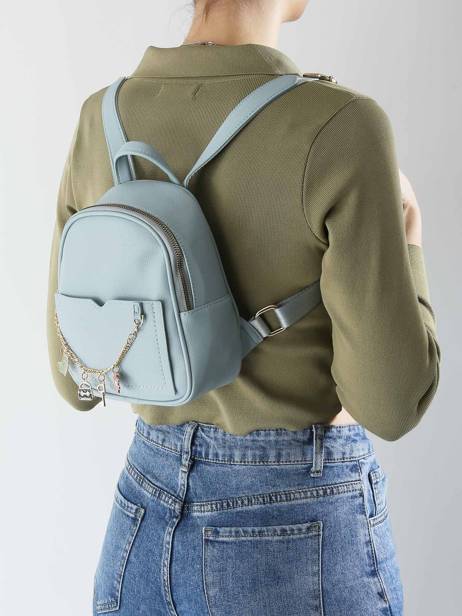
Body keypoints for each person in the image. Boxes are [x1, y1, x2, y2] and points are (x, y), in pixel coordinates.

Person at [46, 0, 441, 614]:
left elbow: (75, 381)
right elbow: (391, 405)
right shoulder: (340, 125)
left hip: (139, 522)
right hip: (294, 534)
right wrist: (409, 236)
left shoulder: (99, 117)